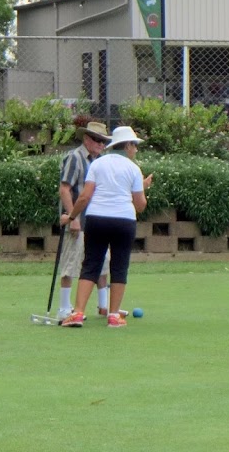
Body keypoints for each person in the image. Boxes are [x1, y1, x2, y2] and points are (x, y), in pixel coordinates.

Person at [60, 126, 152, 328]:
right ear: (127, 146)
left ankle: (77, 313)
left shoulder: (98, 164)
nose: (136, 150)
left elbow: (85, 196)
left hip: (97, 219)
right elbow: (140, 205)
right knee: (119, 266)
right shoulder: (133, 168)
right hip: (124, 221)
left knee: (90, 264)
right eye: (134, 145)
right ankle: (114, 316)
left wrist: (72, 216)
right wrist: (140, 190)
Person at [56, 121, 117, 321]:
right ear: (86, 139)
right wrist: (72, 217)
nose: (100, 144)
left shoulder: (101, 161)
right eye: (97, 140)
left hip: (97, 220)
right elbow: (65, 189)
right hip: (79, 219)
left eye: (103, 141)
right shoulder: (75, 157)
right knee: (71, 262)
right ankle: (64, 307)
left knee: (103, 261)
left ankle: (104, 306)